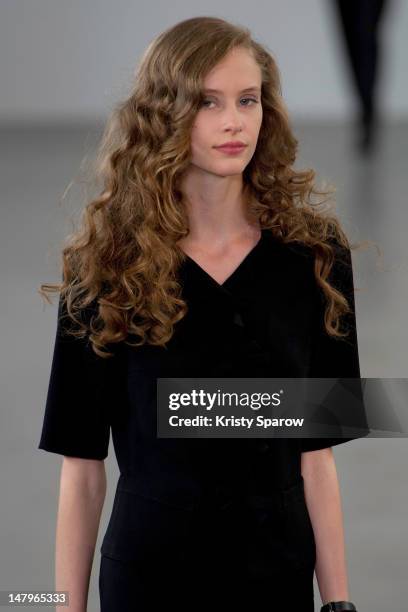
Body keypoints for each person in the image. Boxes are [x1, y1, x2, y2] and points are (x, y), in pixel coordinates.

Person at [37, 16, 368, 612]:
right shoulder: (108, 266)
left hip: (276, 576)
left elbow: (316, 455)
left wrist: (339, 602)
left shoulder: (315, 257)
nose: (234, 122)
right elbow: (83, 468)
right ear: (164, 114)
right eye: (207, 103)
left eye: (248, 99)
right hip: (150, 579)